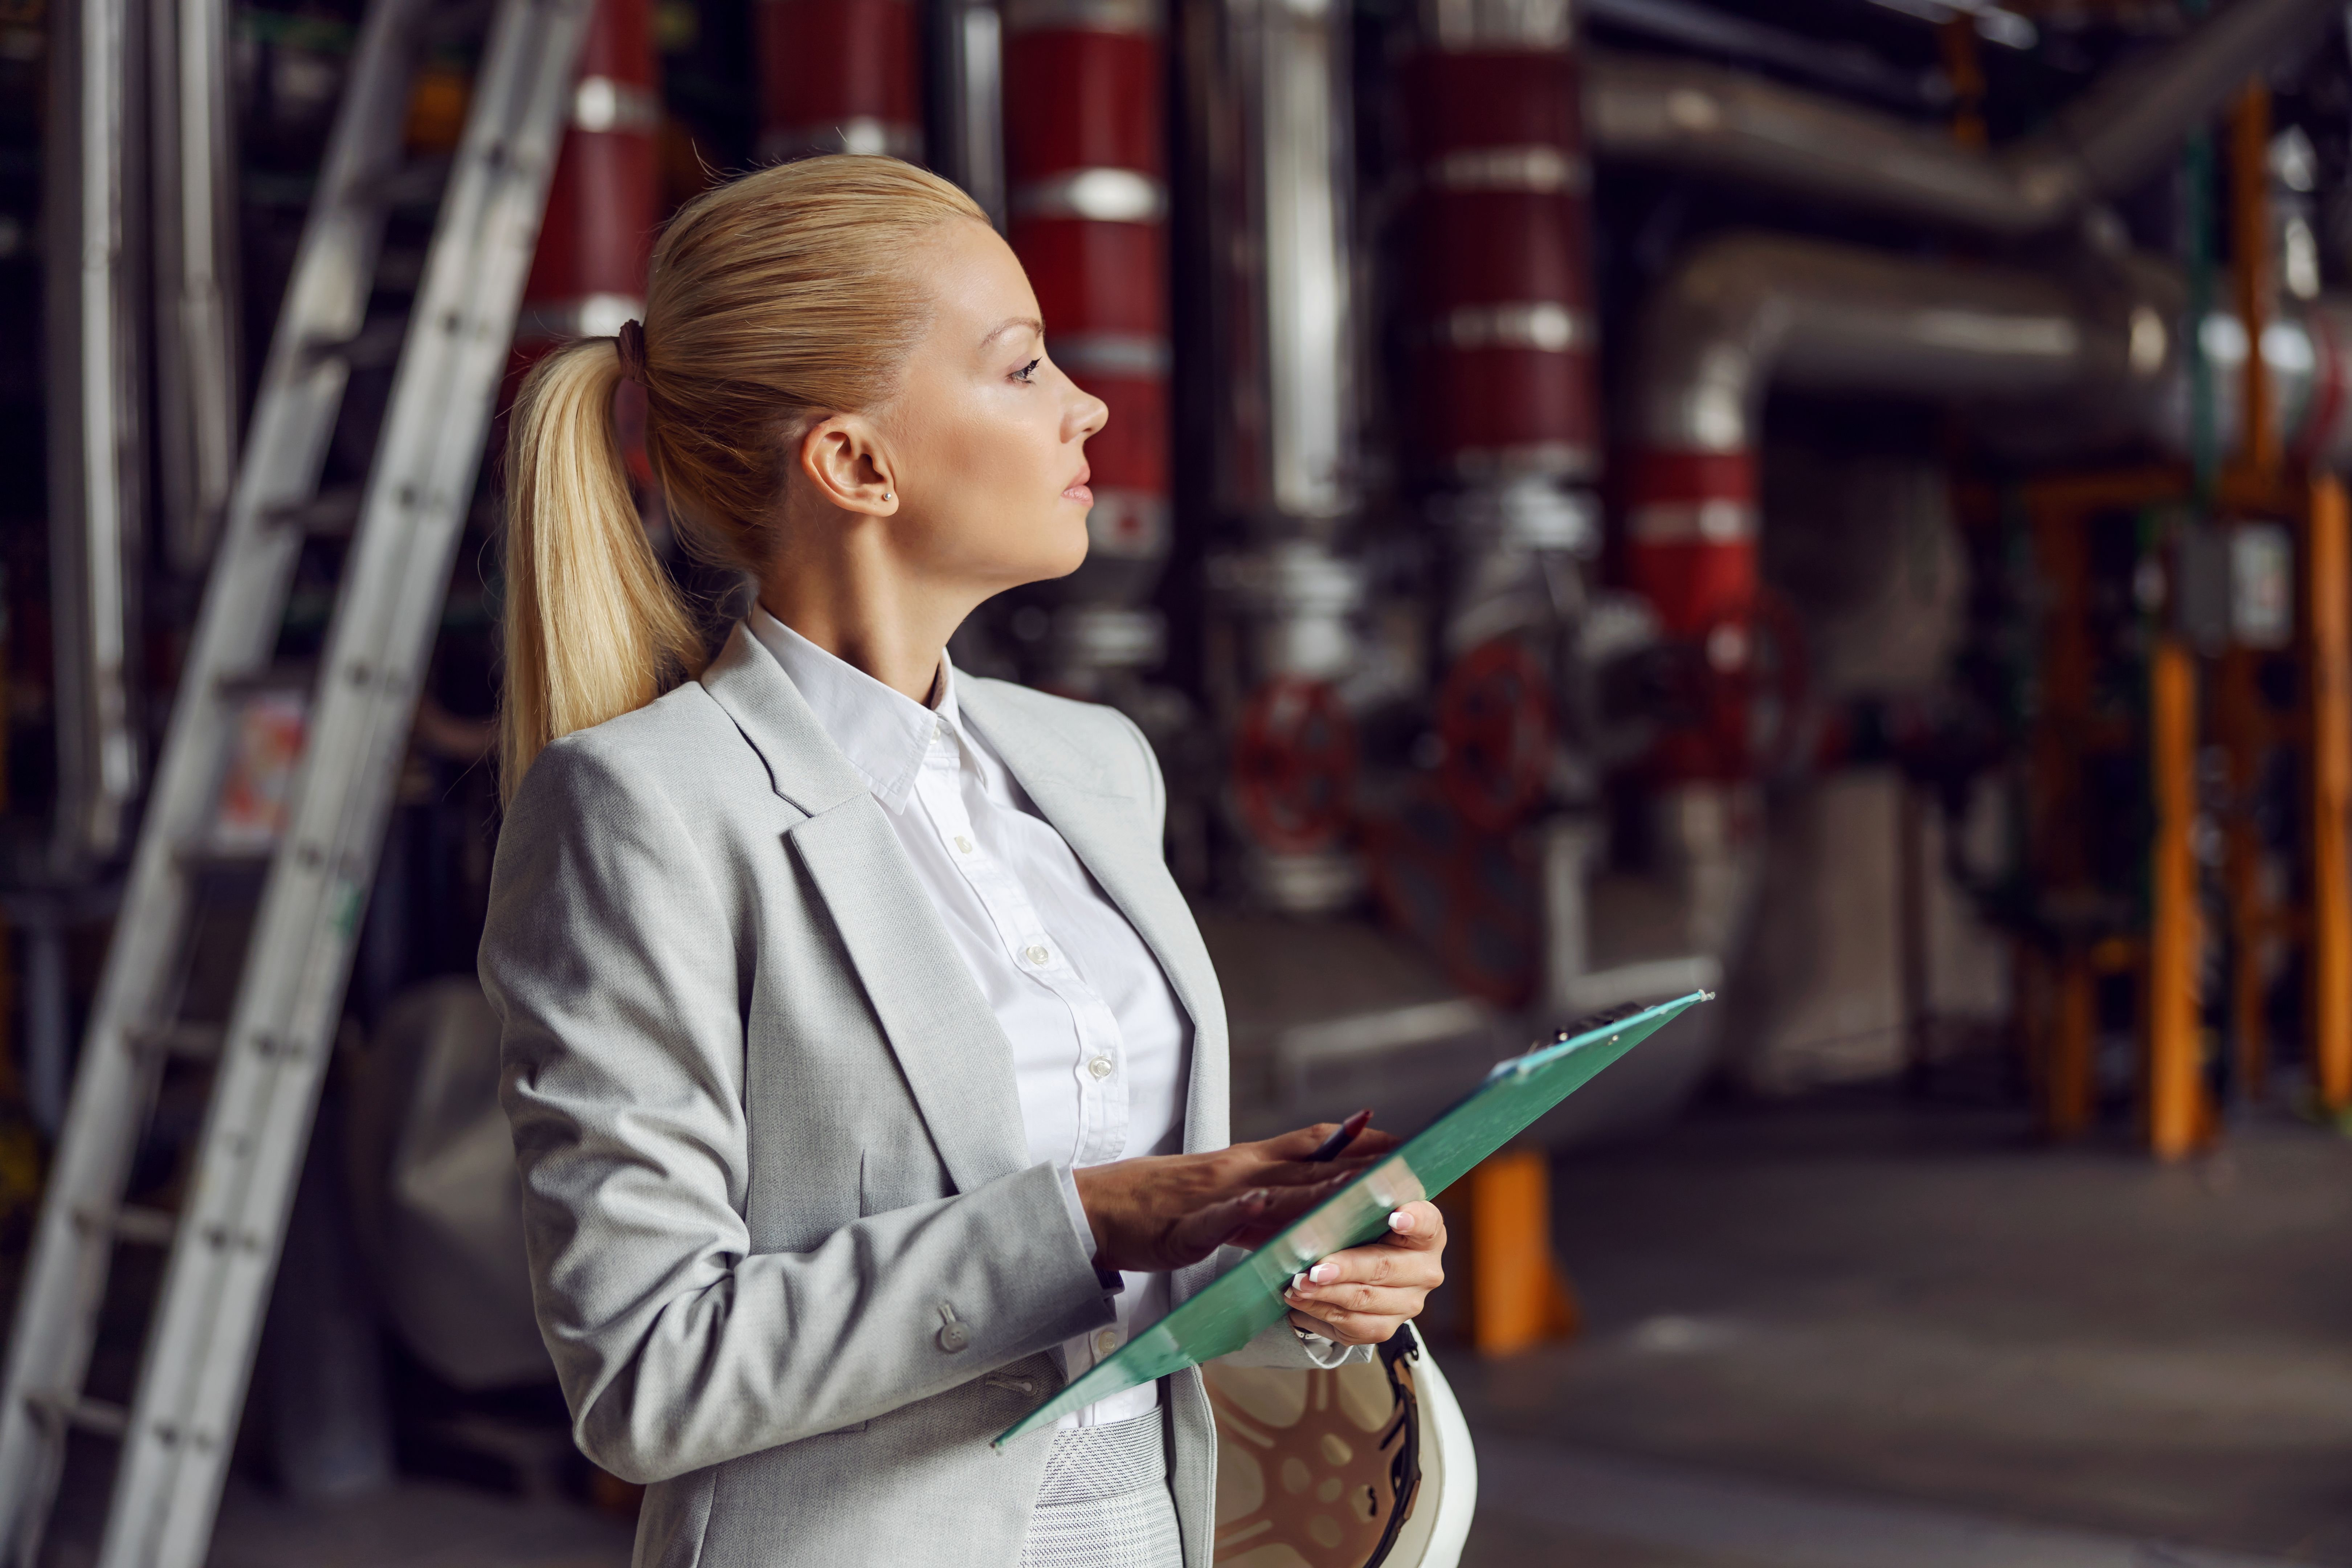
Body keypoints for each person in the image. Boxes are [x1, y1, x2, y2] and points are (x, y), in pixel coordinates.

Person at [478, 155, 1448, 1568]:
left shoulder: (1097, 765)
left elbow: (1161, 1279)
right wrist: (1092, 1221)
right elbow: (649, 1369)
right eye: (1024, 369)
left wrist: (1308, 1266)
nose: (1090, 404)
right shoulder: (643, 811)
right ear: (856, 462)